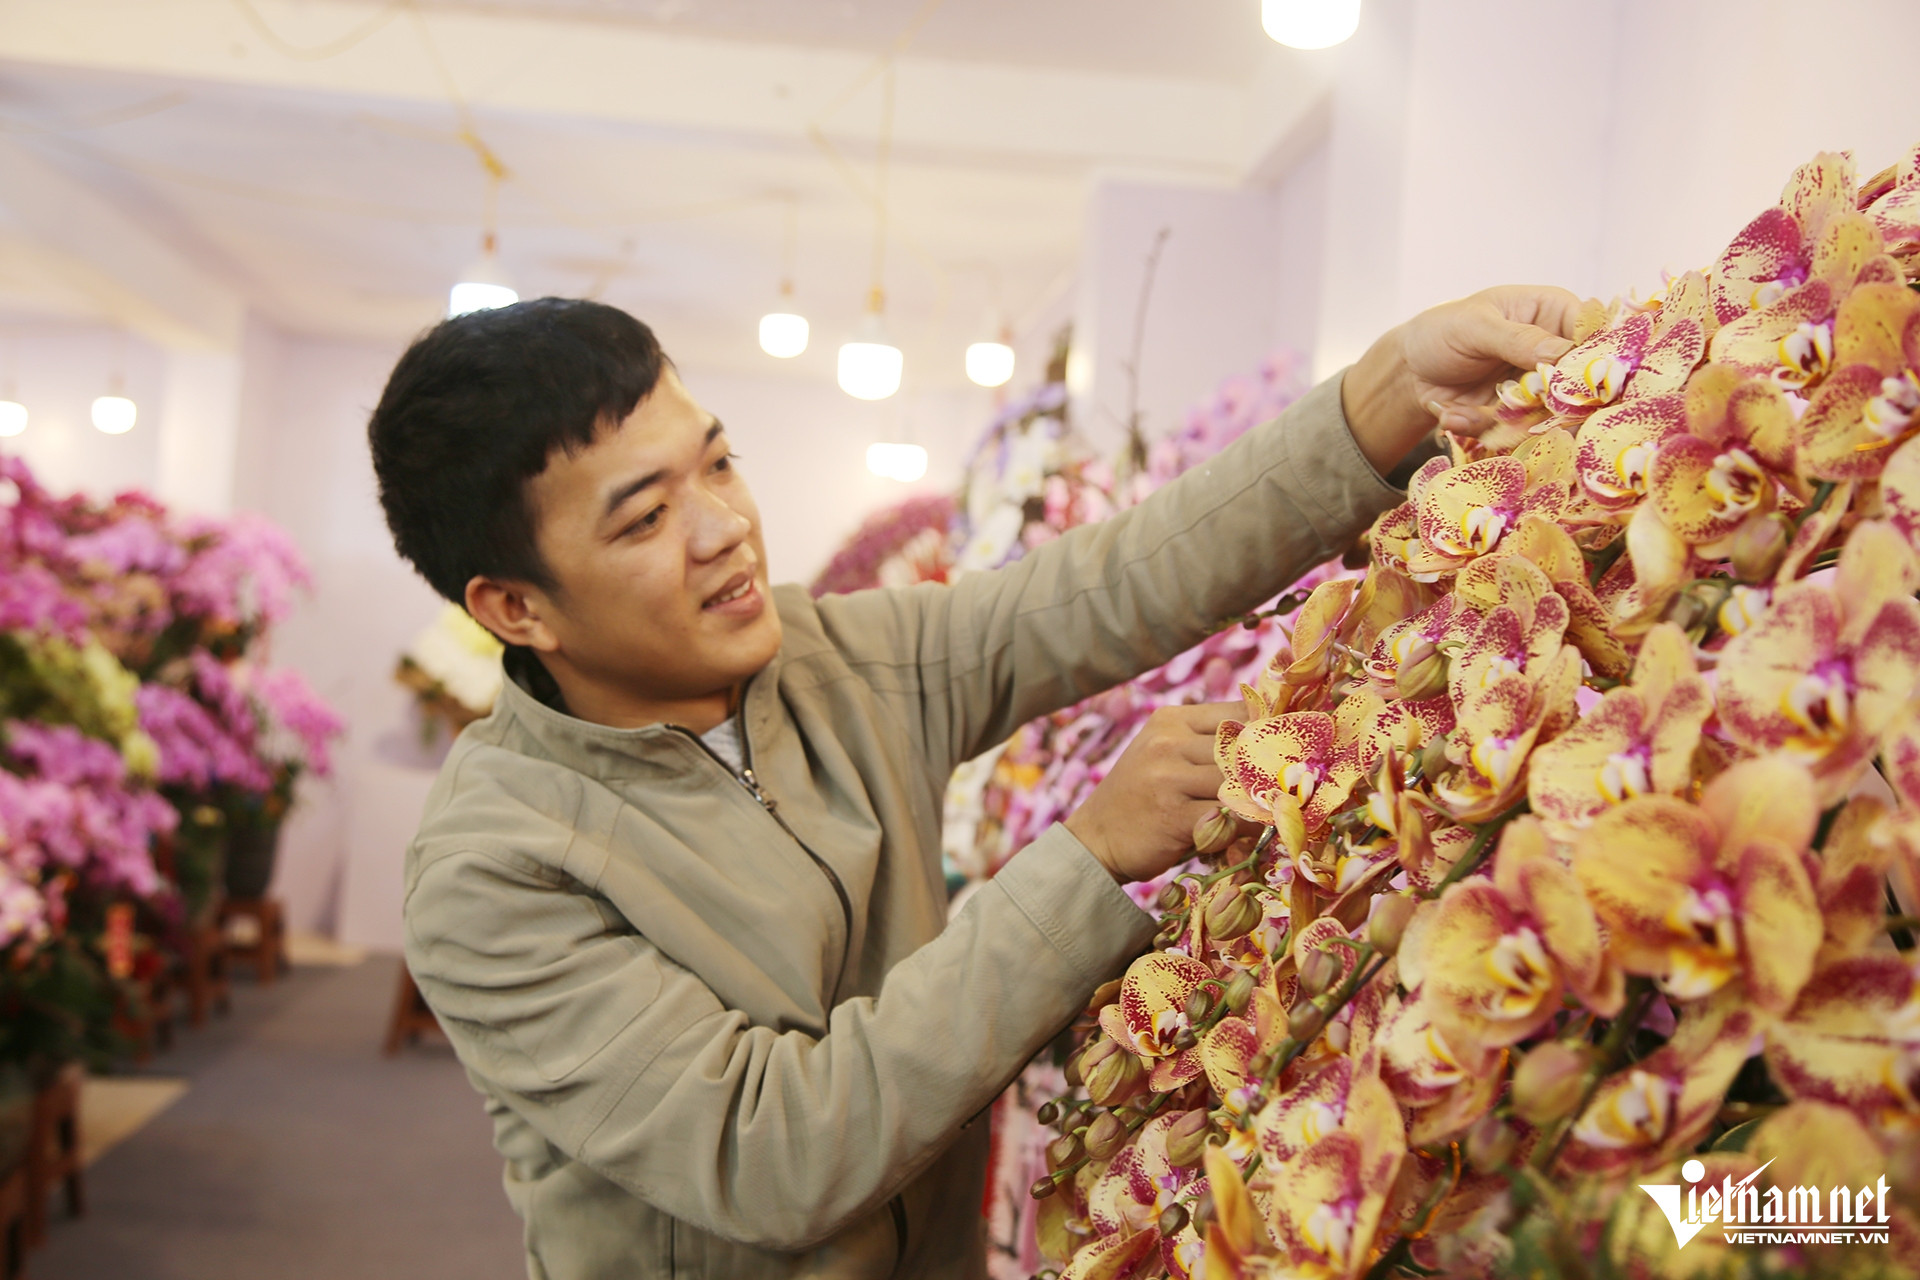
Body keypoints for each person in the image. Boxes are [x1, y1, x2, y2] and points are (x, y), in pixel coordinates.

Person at [368, 285, 1581, 1279]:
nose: (722, 527)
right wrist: (1085, 859)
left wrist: (1390, 391)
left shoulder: (837, 660)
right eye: (642, 519)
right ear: (515, 607)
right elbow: (775, 1148)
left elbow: (1120, 580)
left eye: (718, 463)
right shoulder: (498, 867)